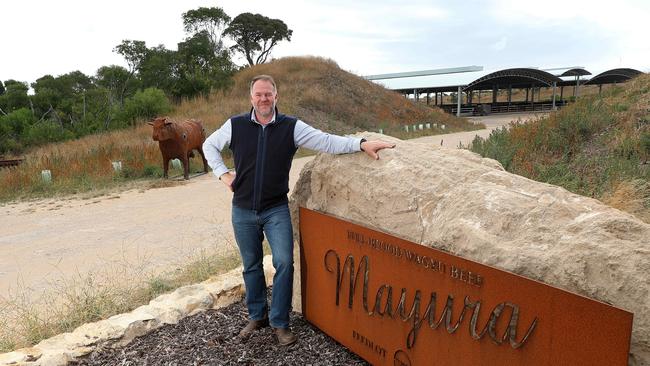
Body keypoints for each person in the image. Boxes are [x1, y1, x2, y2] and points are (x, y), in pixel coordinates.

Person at [202, 74, 395, 346]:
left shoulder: (291, 127)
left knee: (283, 261)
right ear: (251, 98)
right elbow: (208, 145)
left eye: (268, 93)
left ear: (276, 96)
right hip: (243, 210)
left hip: (275, 209)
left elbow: (326, 141)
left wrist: (361, 143)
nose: (263, 98)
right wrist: (222, 174)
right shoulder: (235, 125)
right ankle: (257, 316)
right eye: (258, 94)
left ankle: (280, 323)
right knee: (251, 265)